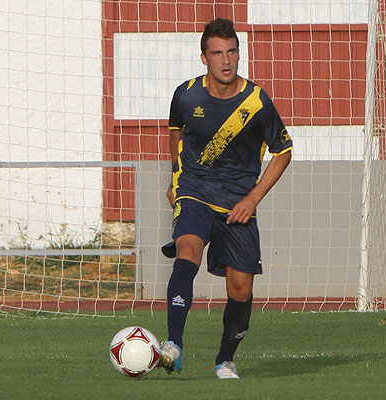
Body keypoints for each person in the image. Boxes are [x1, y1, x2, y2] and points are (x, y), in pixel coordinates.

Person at [157, 18, 292, 378]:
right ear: (205, 58)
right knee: (187, 249)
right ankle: (173, 345)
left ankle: (225, 359)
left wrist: (253, 199)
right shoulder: (186, 94)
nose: (226, 60)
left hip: (237, 203)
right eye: (217, 53)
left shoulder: (257, 101)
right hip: (195, 192)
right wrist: (176, 178)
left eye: (232, 51)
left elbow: (284, 152)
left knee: (241, 287)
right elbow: (174, 131)